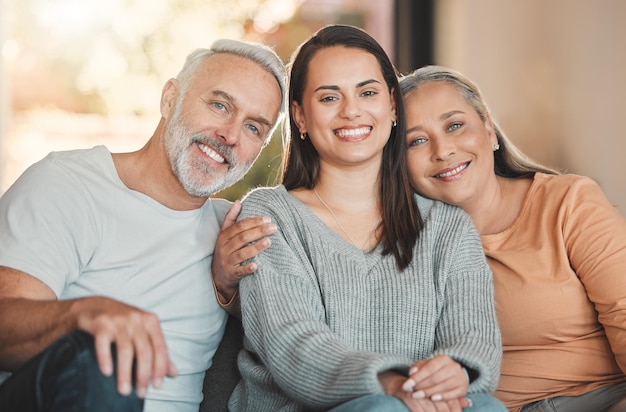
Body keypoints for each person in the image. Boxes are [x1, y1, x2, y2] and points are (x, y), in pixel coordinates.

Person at [226, 24, 505, 412]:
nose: (351, 110)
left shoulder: (448, 227)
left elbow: (474, 336)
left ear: (392, 106)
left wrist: (456, 370)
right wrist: (388, 383)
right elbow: (290, 343)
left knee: (487, 407)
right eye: (328, 97)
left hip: (422, 405)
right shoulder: (271, 216)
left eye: (368, 92)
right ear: (300, 117)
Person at [0, 38, 286, 411]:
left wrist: (226, 289)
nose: (230, 135)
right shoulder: (67, 184)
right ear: (170, 98)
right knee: (104, 357)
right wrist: (81, 317)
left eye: (253, 128)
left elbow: (303, 326)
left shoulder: (235, 231)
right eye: (219, 105)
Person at [398, 65, 626, 412]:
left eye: (455, 125)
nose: (442, 150)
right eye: (416, 141)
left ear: (489, 130)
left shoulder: (568, 202)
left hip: (604, 399)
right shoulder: (405, 246)